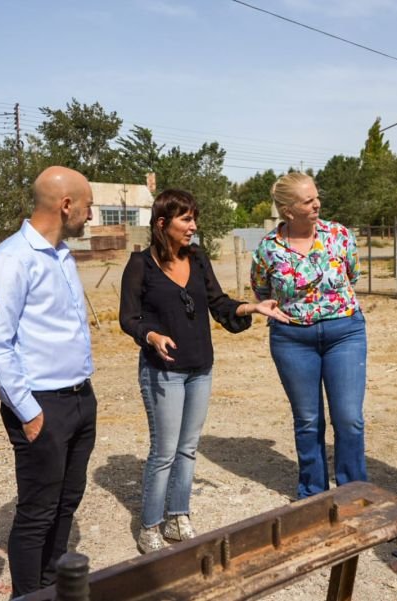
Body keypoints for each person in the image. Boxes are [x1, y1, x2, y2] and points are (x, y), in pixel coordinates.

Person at [119, 189, 288, 554]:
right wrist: (151, 335)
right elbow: (128, 318)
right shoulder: (140, 264)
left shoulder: (197, 258)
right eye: (186, 219)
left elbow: (218, 302)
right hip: (163, 371)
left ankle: (178, 516)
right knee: (164, 450)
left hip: (200, 368)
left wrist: (254, 308)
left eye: (195, 218)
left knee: (188, 448)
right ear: (163, 223)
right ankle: (150, 524)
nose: (193, 226)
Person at [0, 167, 97, 596]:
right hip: (42, 406)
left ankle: (52, 589)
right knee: (38, 512)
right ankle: (29, 595)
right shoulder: (11, 259)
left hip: (81, 398)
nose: (90, 215)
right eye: (87, 206)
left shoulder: (61, 254)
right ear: (66, 205)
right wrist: (28, 413)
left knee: (67, 502)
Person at [250, 172, 368, 500]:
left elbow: (352, 275)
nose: (317, 204)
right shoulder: (268, 248)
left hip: (344, 334)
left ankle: (355, 494)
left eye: (316, 196)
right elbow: (261, 288)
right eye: (308, 200)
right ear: (288, 211)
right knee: (308, 420)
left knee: (348, 419)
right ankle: (313, 496)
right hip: (292, 340)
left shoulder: (339, 235)